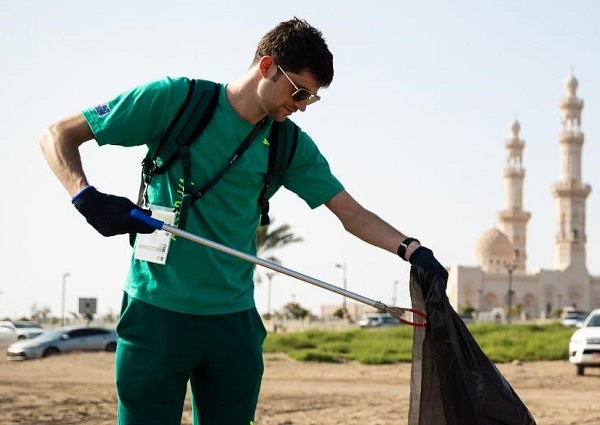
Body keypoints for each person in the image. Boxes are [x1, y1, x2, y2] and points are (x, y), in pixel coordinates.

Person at [40, 17, 442, 425]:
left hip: (233, 323)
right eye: (298, 91)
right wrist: (85, 197)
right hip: (155, 313)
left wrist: (412, 249)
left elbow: (350, 212)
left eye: (311, 99)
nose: (302, 105)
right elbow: (58, 135)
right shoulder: (175, 99)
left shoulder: (289, 143)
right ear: (267, 66)